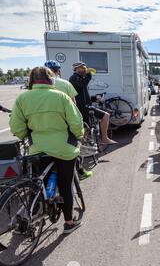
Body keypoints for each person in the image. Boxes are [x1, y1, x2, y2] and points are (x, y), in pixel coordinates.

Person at [9, 67, 84, 234]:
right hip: (63, 148)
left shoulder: (22, 98)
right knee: (65, 185)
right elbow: (76, 123)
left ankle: (33, 215)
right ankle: (69, 222)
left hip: (37, 149)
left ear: (31, 81)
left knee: (37, 182)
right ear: (51, 80)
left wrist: (27, 136)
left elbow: (16, 126)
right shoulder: (61, 97)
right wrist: (79, 136)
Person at [44, 60, 93, 181]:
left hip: (42, 129)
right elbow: (73, 106)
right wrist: (78, 132)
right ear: (58, 71)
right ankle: (80, 171)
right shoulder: (65, 83)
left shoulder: (31, 90)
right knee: (74, 147)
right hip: (63, 125)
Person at [69, 61, 117, 145]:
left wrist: (94, 98)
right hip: (84, 107)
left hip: (85, 106)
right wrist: (88, 74)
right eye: (82, 68)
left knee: (86, 130)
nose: (84, 70)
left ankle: (87, 146)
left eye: (84, 68)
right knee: (106, 115)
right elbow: (82, 85)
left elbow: (82, 95)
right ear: (76, 69)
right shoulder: (74, 77)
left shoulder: (79, 78)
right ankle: (104, 138)